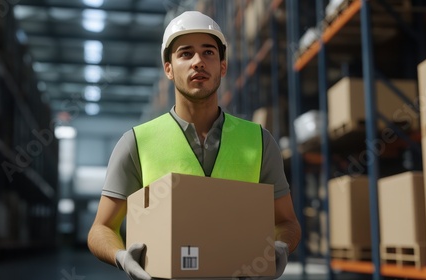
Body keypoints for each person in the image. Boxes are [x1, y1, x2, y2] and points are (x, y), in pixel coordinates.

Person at [87, 10, 301, 280]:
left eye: (209, 53)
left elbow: (286, 222)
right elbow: (101, 228)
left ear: (222, 66)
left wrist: (280, 247)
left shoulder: (259, 141)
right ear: (168, 69)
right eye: (185, 53)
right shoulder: (137, 142)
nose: (198, 62)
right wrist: (121, 257)